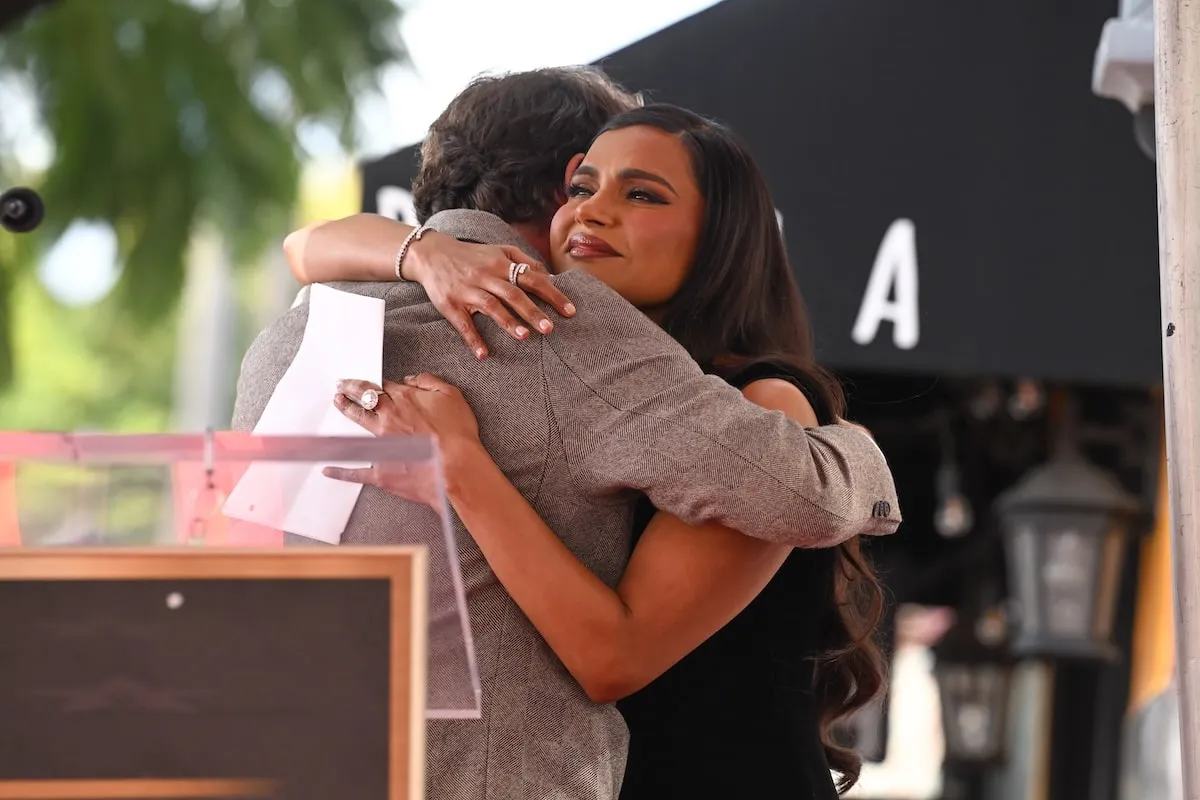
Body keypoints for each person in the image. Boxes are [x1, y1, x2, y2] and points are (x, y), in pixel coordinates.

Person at [254, 70, 898, 800]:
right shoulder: (577, 356)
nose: (593, 212)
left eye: (643, 194)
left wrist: (460, 465)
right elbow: (305, 243)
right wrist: (425, 254)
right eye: (583, 187)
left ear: (722, 236)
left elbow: (612, 656)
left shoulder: (762, 396)